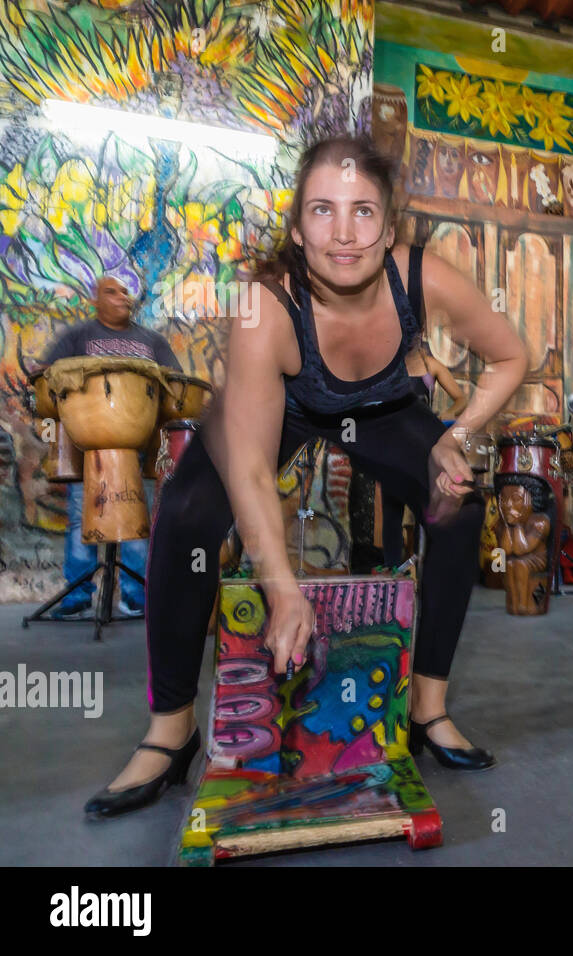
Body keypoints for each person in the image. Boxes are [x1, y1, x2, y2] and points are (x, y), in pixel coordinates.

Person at [84, 136, 528, 817]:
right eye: (322, 210)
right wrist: (282, 591)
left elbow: (510, 357)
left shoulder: (423, 278)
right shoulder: (264, 308)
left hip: (381, 408)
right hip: (281, 406)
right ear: (297, 229)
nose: (343, 233)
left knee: (458, 506)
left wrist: (458, 439)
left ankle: (428, 708)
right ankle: (171, 729)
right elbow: (254, 473)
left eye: (362, 212)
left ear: (388, 229)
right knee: (188, 510)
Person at [39, 276, 182, 620]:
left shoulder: (152, 340)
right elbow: (48, 379)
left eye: (126, 291)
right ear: (95, 301)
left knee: (135, 520)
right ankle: (78, 594)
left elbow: (175, 386)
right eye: (112, 291)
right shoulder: (77, 337)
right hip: (83, 445)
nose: (122, 297)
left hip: (137, 444)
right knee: (79, 520)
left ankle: (136, 595)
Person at [377, 347, 468, 566]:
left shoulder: (431, 366)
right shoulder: (387, 367)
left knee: (424, 509)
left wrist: (447, 414)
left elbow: (461, 399)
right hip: (393, 447)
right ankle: (392, 570)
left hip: (422, 446)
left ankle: (426, 567)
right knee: (392, 511)